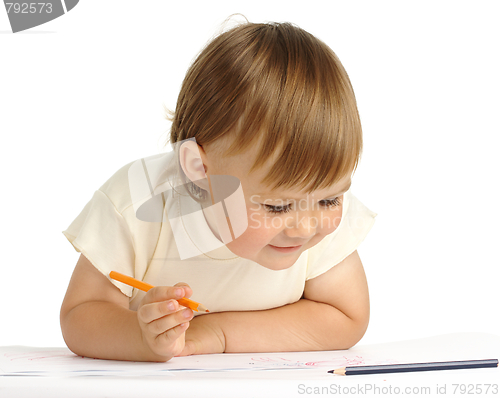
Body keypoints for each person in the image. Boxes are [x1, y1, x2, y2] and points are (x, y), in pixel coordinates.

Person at [60, 20, 377, 362]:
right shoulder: (136, 202)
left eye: (330, 199)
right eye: (277, 207)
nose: (306, 226)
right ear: (198, 170)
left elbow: (346, 317)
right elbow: (80, 315)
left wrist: (217, 333)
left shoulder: (312, 201)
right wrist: (139, 336)